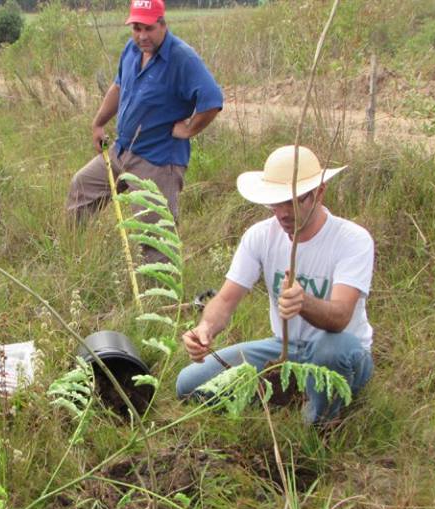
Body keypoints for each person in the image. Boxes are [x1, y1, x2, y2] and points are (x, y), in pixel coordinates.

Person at [177, 146, 375, 425]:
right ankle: (288, 392)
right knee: (188, 385)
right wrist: (205, 329)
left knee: (331, 352)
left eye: (292, 202)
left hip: (340, 349)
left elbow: (341, 317)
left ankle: (319, 424)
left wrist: (304, 303)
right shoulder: (260, 235)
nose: (282, 213)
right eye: (274, 203)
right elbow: (225, 300)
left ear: (319, 192)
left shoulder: (352, 240)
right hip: (284, 348)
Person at [66, 0, 222, 261]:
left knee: (154, 235)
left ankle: (158, 287)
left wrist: (188, 130)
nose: (142, 36)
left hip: (157, 161)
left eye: (148, 28)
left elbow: (212, 100)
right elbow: (118, 87)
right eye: (136, 28)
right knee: (81, 188)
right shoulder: (132, 50)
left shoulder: (182, 58)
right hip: (122, 150)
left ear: (163, 24)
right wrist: (98, 123)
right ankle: (78, 260)